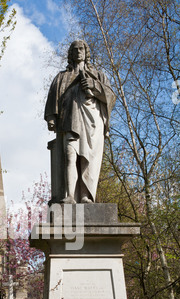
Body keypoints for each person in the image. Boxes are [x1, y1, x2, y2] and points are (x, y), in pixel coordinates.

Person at [45, 40, 116, 203]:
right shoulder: (62, 77)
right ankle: (69, 195)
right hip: (70, 120)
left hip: (92, 122)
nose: (78, 51)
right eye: (75, 49)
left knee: (88, 159)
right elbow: (53, 97)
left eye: (81, 49)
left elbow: (111, 97)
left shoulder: (98, 76)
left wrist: (94, 85)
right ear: (70, 54)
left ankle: (85, 196)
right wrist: (51, 117)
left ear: (86, 52)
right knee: (70, 155)